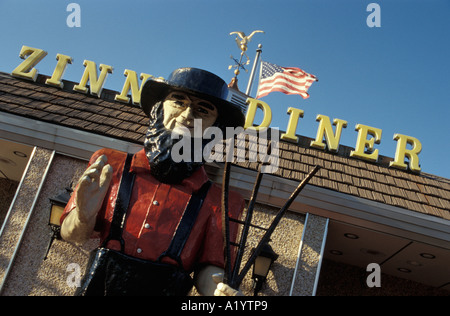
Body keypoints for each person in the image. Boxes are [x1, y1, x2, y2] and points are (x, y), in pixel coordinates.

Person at [60, 68, 245, 296]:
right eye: (178, 102)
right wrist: (82, 216)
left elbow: (210, 269)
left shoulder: (223, 201)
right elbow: (71, 234)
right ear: (159, 108)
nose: (187, 115)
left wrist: (218, 291)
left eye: (202, 110)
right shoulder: (109, 165)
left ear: (214, 128)